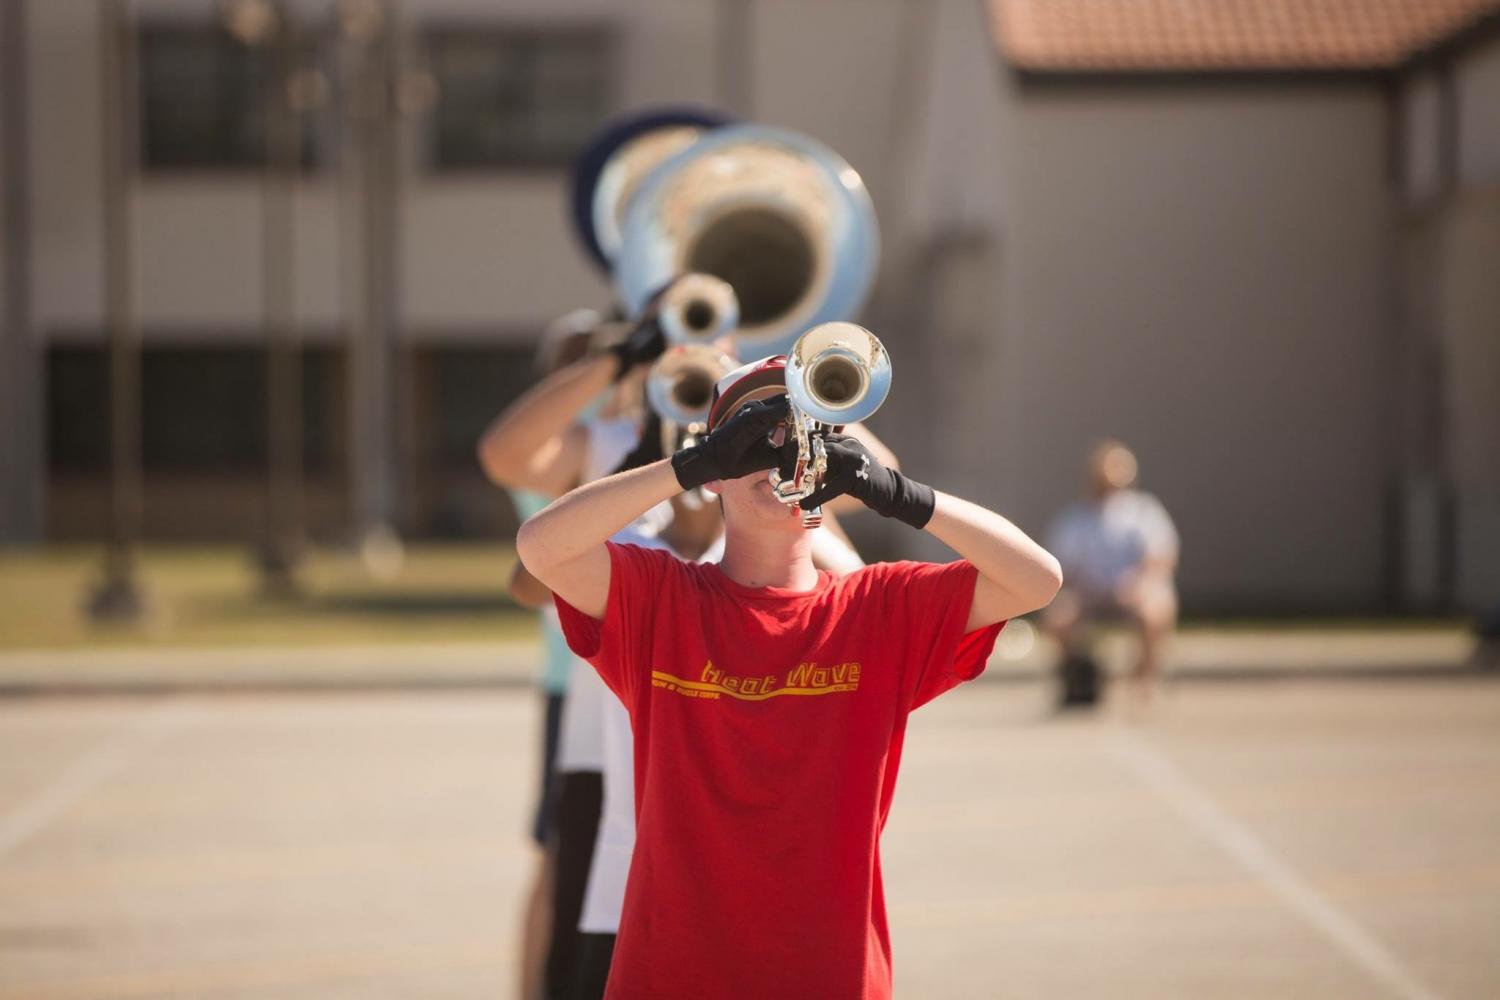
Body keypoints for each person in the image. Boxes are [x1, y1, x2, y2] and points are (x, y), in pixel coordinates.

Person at [516, 356, 1062, 999]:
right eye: (751, 431)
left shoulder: (878, 608)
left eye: (797, 433)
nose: (777, 451)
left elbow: (1037, 580)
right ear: (716, 468)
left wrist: (896, 492)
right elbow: (541, 548)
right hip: (668, 977)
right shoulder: (659, 599)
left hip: (829, 978)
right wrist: (688, 466)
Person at [1042, 439, 1179, 706]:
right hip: (1089, 595)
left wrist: (1138, 585)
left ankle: (1146, 679)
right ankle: (1076, 675)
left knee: (1155, 610)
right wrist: (1079, 591)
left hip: (1134, 593)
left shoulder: (1143, 512)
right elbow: (1060, 567)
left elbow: (1161, 558)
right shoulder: (1076, 518)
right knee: (1059, 615)